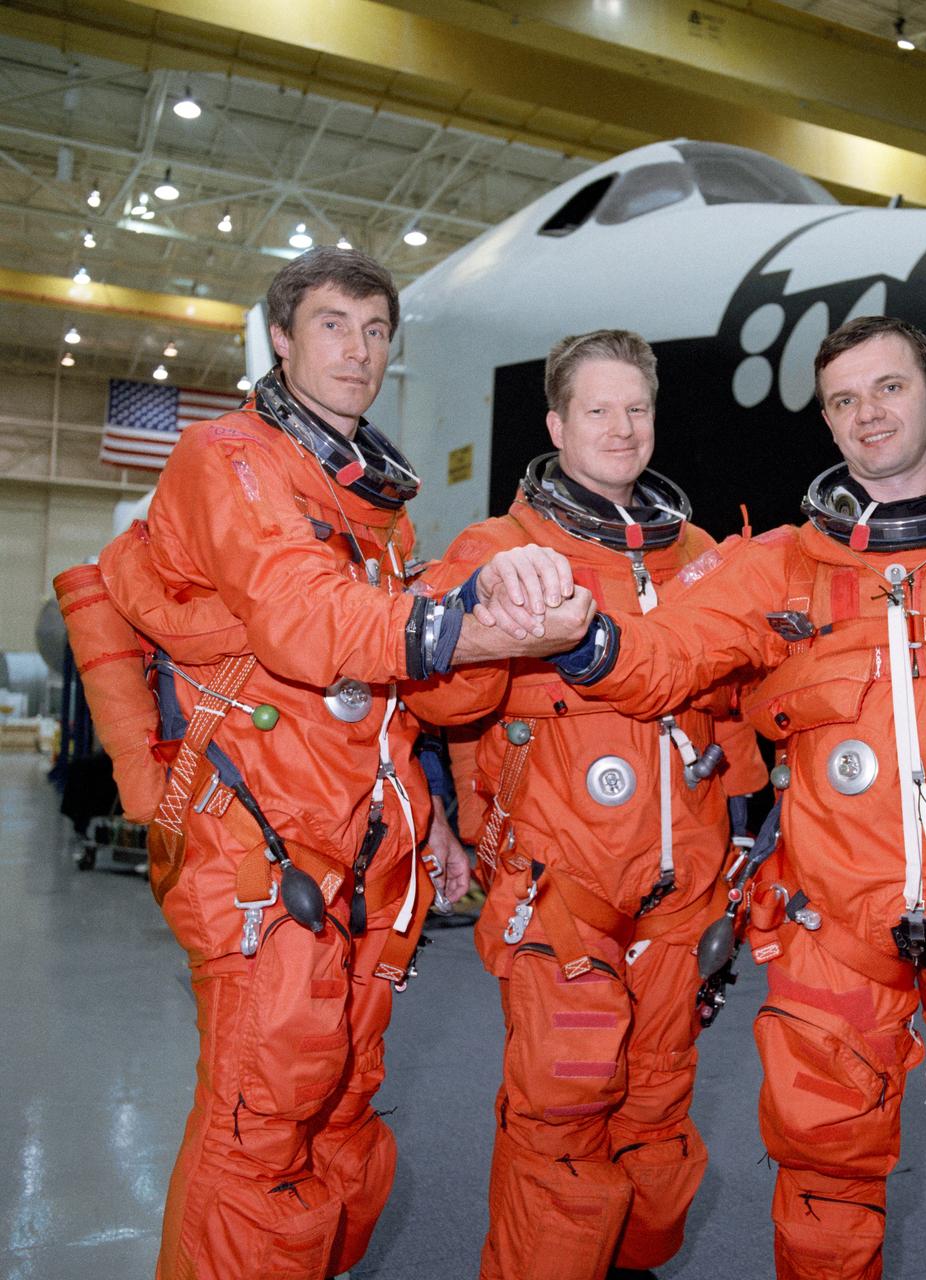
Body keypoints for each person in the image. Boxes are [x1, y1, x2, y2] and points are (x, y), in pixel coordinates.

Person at [528, 316, 926, 1280]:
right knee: (824, 1174)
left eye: (889, 388)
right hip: (834, 923)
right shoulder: (781, 563)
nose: (869, 414)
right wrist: (583, 638)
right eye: (844, 399)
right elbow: (669, 654)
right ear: (827, 422)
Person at [60, 247, 590, 1280]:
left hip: (359, 847)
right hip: (253, 844)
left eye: (375, 329)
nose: (357, 349)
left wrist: (428, 816)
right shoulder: (230, 458)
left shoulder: (376, 507)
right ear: (283, 337)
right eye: (334, 324)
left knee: (342, 1099)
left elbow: (378, 697)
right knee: (261, 1118)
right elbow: (310, 623)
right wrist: (476, 631)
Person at [426, 330, 768, 1280]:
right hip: (561, 887)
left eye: (637, 409)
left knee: (656, 1109)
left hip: (682, 893)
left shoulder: (701, 553)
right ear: (555, 423)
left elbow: (730, 710)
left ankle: (629, 1266)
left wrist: (747, 835)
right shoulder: (499, 550)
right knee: (564, 1107)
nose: (620, 428)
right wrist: (481, 607)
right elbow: (439, 697)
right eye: (597, 409)